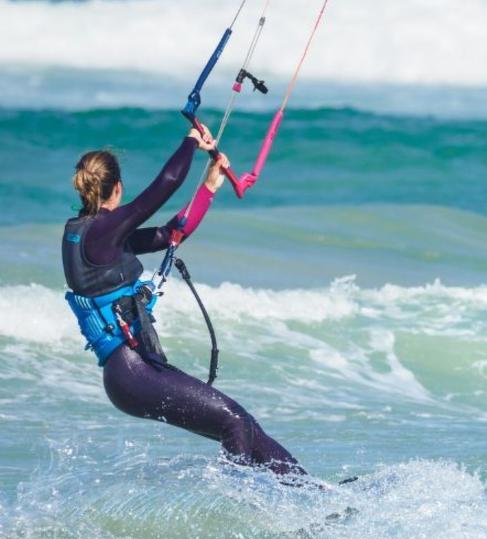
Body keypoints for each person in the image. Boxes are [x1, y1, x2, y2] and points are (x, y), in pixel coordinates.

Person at [62, 126, 308, 483]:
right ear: (117, 187)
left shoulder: (91, 235)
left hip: (133, 372)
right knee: (233, 421)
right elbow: (168, 182)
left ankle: (310, 492)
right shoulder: (101, 233)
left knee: (245, 426)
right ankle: (239, 504)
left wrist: (208, 188)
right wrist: (192, 139)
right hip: (131, 371)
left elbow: (169, 235)